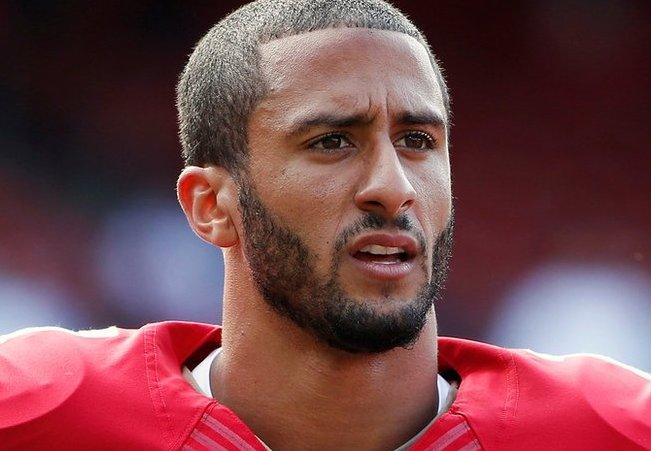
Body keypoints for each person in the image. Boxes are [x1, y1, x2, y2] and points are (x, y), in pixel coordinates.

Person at [1, 0, 649, 449]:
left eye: (418, 141)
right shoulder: (43, 408)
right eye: (331, 142)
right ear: (210, 205)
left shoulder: (609, 427)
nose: (392, 186)